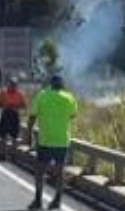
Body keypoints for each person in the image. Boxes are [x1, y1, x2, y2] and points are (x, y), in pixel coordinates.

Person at [26, 74, 79, 210]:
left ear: (50, 84)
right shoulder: (69, 97)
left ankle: (38, 200)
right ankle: (57, 200)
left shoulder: (42, 95)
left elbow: (32, 116)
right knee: (60, 172)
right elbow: (73, 115)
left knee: (40, 171)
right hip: (62, 141)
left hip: (45, 140)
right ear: (62, 85)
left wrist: (29, 133)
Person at [0, 78, 27, 162]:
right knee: (3, 135)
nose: (12, 86)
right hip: (5, 114)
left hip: (14, 115)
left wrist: (15, 106)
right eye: (11, 85)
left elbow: (24, 106)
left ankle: (13, 156)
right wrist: (5, 105)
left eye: (14, 85)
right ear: (8, 85)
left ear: (17, 86)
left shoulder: (20, 94)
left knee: (14, 137)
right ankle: (2, 155)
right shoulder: (3, 92)